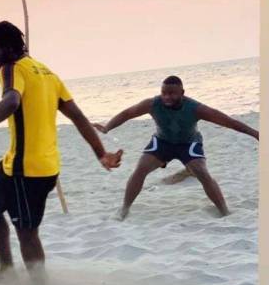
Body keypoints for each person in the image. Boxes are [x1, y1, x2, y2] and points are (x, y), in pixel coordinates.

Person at [0, 12, 122, 283]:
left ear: (9, 50)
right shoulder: (47, 72)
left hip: (29, 171)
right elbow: (79, 118)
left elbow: (11, 101)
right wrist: (101, 154)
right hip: (21, 165)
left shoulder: (12, 69)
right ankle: (7, 271)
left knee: (26, 230)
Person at [94, 75, 259, 219]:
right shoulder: (152, 104)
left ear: (182, 93)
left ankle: (224, 211)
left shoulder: (196, 108)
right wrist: (108, 127)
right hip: (162, 142)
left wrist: (255, 134)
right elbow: (127, 113)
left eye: (172, 93)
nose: (167, 97)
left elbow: (228, 122)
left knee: (202, 172)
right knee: (141, 169)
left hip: (188, 143)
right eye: (164, 93)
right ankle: (124, 209)